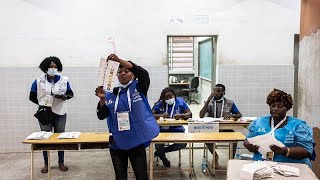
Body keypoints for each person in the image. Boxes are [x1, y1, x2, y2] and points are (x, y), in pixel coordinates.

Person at [96, 54, 159, 180]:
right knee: (120, 177)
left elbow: (143, 73)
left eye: (126, 71)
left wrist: (119, 61)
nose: (122, 74)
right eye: (119, 72)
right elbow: (101, 115)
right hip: (117, 143)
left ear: (133, 74)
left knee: (141, 176)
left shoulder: (139, 87)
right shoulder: (110, 93)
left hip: (136, 140)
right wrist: (102, 99)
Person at [243, 89, 315, 167]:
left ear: (287, 108)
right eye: (273, 106)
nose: (275, 109)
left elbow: (307, 150)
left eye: (280, 106)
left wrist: (284, 150)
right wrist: (249, 146)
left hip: (292, 167)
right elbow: (247, 140)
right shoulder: (258, 122)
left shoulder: (298, 125)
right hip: (263, 166)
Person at [29, 56, 74, 173]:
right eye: (50, 66)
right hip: (44, 113)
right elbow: (32, 96)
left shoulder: (64, 80)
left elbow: (70, 94)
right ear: (45, 68)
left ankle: (61, 162)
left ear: (58, 67)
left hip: (60, 112)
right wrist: (43, 104)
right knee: (45, 139)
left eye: (55, 66)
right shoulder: (38, 81)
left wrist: (64, 97)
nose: (52, 68)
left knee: (60, 139)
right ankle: (46, 164)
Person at [199, 84, 242, 168]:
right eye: (214, 91)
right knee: (206, 138)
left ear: (223, 92)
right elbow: (201, 115)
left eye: (218, 91)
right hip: (212, 128)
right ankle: (215, 156)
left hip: (225, 128)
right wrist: (208, 100)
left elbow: (239, 114)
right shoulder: (209, 102)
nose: (216, 93)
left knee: (234, 139)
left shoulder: (229, 102)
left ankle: (231, 160)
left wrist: (231, 115)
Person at [152, 87, 192, 167]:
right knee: (158, 145)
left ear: (174, 95)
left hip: (177, 130)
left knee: (183, 144)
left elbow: (190, 114)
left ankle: (161, 152)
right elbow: (150, 115)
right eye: (166, 98)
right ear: (163, 98)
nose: (169, 99)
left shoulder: (180, 102)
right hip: (162, 130)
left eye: (171, 96)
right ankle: (163, 158)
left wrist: (181, 115)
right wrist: (160, 115)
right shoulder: (160, 104)